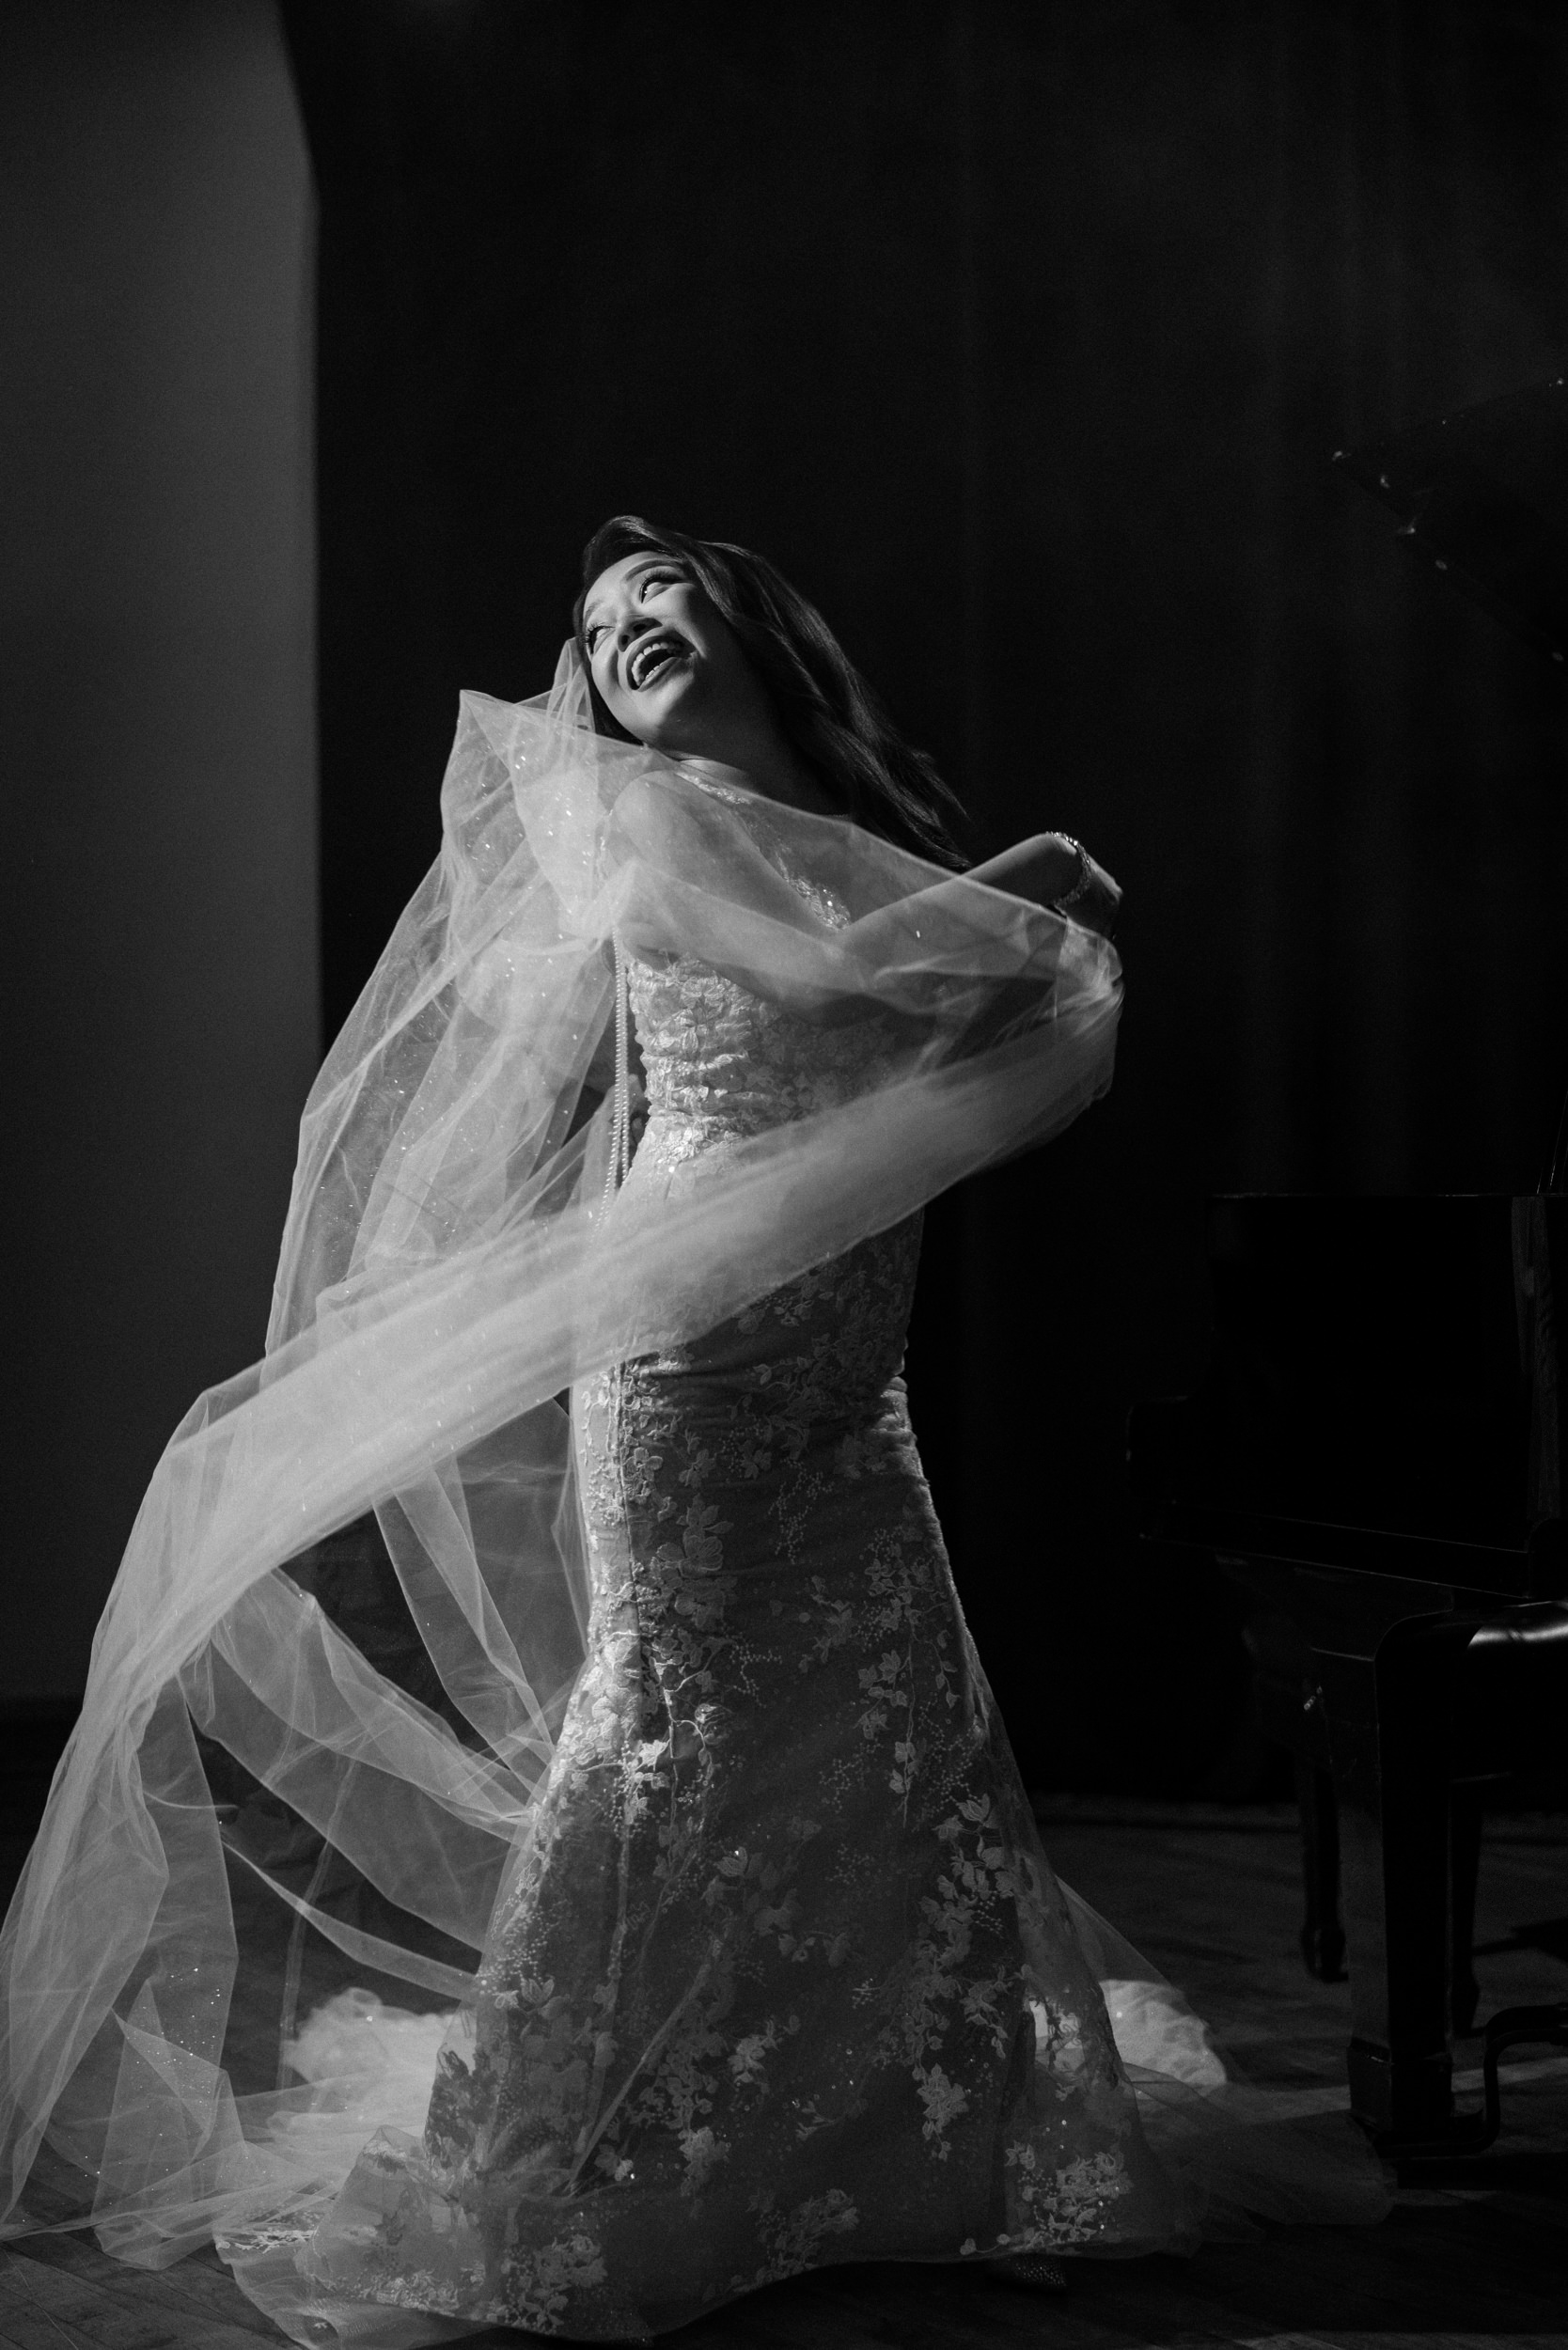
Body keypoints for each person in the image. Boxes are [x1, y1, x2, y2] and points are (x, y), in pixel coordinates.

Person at [0, 519, 1384, 2346]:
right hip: (688, 1355)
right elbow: (835, 986)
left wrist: (1031, 959)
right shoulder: (632, 818)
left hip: (846, 1356)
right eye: (593, 625)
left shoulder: (853, 833)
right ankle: (628, 2137)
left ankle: (916, 2142)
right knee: (693, 1710)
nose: (623, 631)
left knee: (895, 1705)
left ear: (747, 619)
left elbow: (955, 1067)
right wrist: (1032, 888)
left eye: (659, 595)